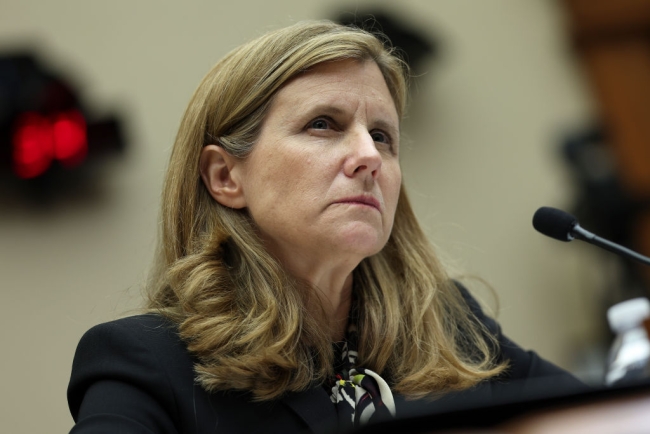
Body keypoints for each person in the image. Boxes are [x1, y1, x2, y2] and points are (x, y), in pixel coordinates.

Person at [67, 20, 583, 434]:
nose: (368, 156)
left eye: (382, 135)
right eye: (324, 125)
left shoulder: (447, 325)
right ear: (226, 177)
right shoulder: (148, 363)